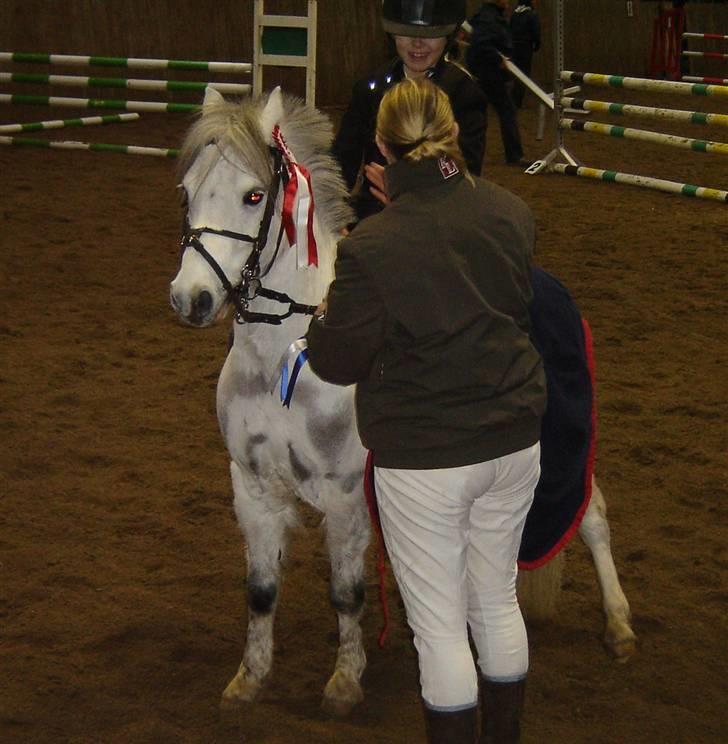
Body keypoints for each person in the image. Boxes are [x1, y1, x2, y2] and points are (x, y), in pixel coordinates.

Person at [306, 78, 546, 744]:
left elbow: (338, 362)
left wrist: (327, 318)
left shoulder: (372, 248)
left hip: (427, 459)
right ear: (450, 135)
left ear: (380, 149)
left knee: (439, 627)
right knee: (494, 600)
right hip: (515, 440)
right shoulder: (512, 213)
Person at [332, 0, 487, 225]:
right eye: (406, 33)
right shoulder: (369, 89)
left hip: (438, 221)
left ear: (448, 36)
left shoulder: (464, 94)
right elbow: (341, 165)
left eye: (430, 34)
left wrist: (401, 191)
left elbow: (465, 173)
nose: (417, 44)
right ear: (393, 33)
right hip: (373, 221)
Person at [466, 0, 528, 165]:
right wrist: (498, 59)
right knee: (506, 112)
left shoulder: (487, 16)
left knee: (479, 114)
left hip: (488, 73)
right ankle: (514, 155)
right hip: (490, 74)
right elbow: (482, 45)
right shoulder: (489, 18)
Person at [509, 0, 541, 108]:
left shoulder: (515, 14)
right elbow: (536, 33)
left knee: (517, 73)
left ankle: (514, 98)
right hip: (526, 47)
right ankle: (517, 100)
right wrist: (537, 44)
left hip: (514, 47)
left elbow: (510, 29)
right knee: (524, 74)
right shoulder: (532, 15)